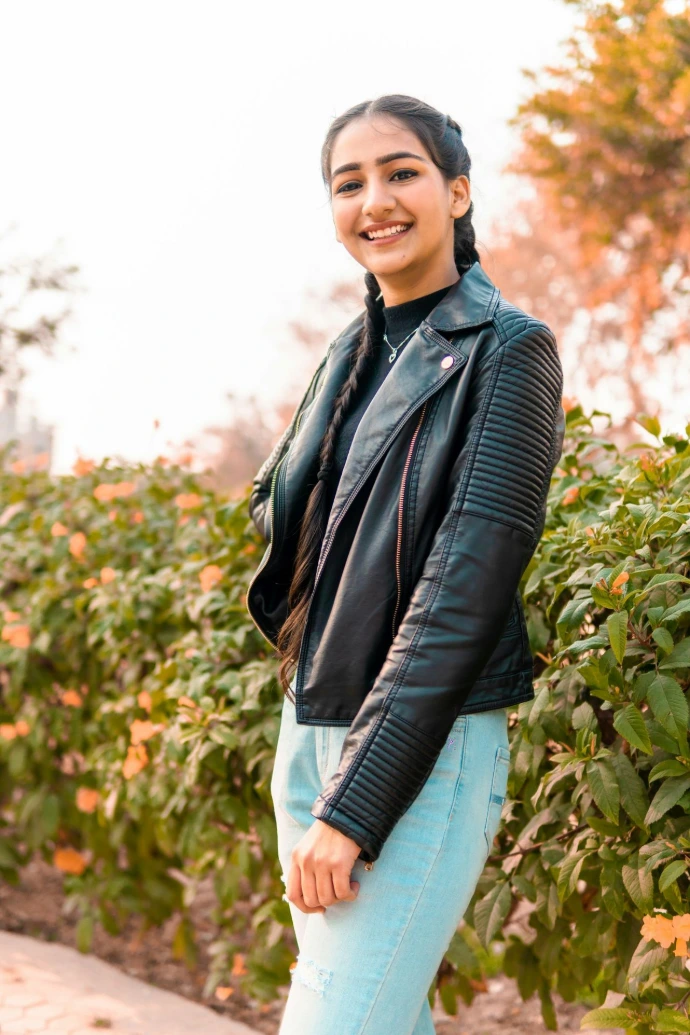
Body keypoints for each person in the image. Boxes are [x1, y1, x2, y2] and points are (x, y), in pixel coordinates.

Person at [246, 93, 565, 1035]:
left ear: (457, 192)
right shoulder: (349, 353)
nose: (373, 200)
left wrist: (356, 803)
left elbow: (462, 594)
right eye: (349, 183)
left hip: (423, 749)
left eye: (401, 172)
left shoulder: (509, 352)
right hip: (310, 733)